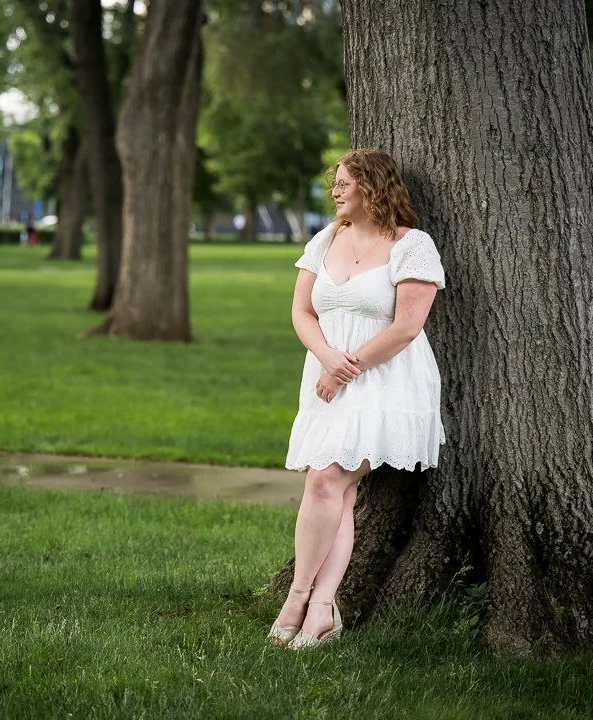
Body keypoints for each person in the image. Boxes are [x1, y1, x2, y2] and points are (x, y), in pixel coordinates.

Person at [268, 148, 446, 650]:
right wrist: (328, 359)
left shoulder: (412, 245)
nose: (336, 191)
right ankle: (322, 610)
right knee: (337, 491)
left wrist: (347, 369)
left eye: (345, 183)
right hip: (327, 377)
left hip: (386, 381)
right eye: (336, 183)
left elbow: (407, 326)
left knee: (326, 479)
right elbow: (302, 311)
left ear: (373, 187)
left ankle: (298, 599)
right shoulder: (326, 239)